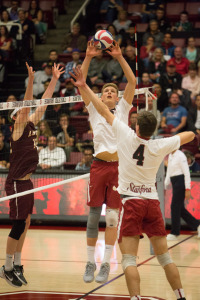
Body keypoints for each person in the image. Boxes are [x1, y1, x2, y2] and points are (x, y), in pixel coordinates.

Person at [70, 66, 195, 300]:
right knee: (165, 258)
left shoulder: (125, 137)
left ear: (135, 126)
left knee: (128, 259)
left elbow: (104, 111)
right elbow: (190, 136)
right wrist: (176, 138)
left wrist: (85, 86)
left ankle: (135, 298)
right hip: (152, 204)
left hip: (132, 203)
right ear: (154, 130)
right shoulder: (159, 146)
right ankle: (181, 297)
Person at [70, 40, 136, 284]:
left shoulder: (123, 110)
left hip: (119, 169)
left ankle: (106, 263)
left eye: (112, 92)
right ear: (100, 96)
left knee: (112, 219)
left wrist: (119, 57)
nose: (109, 93)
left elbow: (132, 82)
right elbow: (81, 82)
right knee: (93, 217)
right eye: (105, 91)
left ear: (118, 98)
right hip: (99, 166)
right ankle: (90, 262)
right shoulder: (94, 109)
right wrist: (87, 57)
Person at [0, 62, 64, 287]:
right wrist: (30, 79)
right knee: (17, 225)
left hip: (27, 182)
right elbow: (28, 105)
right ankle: (6, 267)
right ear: (16, 117)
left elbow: (43, 104)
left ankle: (17, 263)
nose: (27, 113)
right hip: (16, 183)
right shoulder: (16, 130)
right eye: (22, 112)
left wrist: (54, 79)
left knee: (26, 222)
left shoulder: (30, 125)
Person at [165, 149, 200, 241]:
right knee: (180, 208)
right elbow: (169, 171)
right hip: (174, 181)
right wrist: (166, 184)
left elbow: (186, 172)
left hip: (180, 181)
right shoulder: (170, 156)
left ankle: (175, 232)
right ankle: (197, 225)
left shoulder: (181, 155)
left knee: (174, 207)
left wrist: (187, 188)